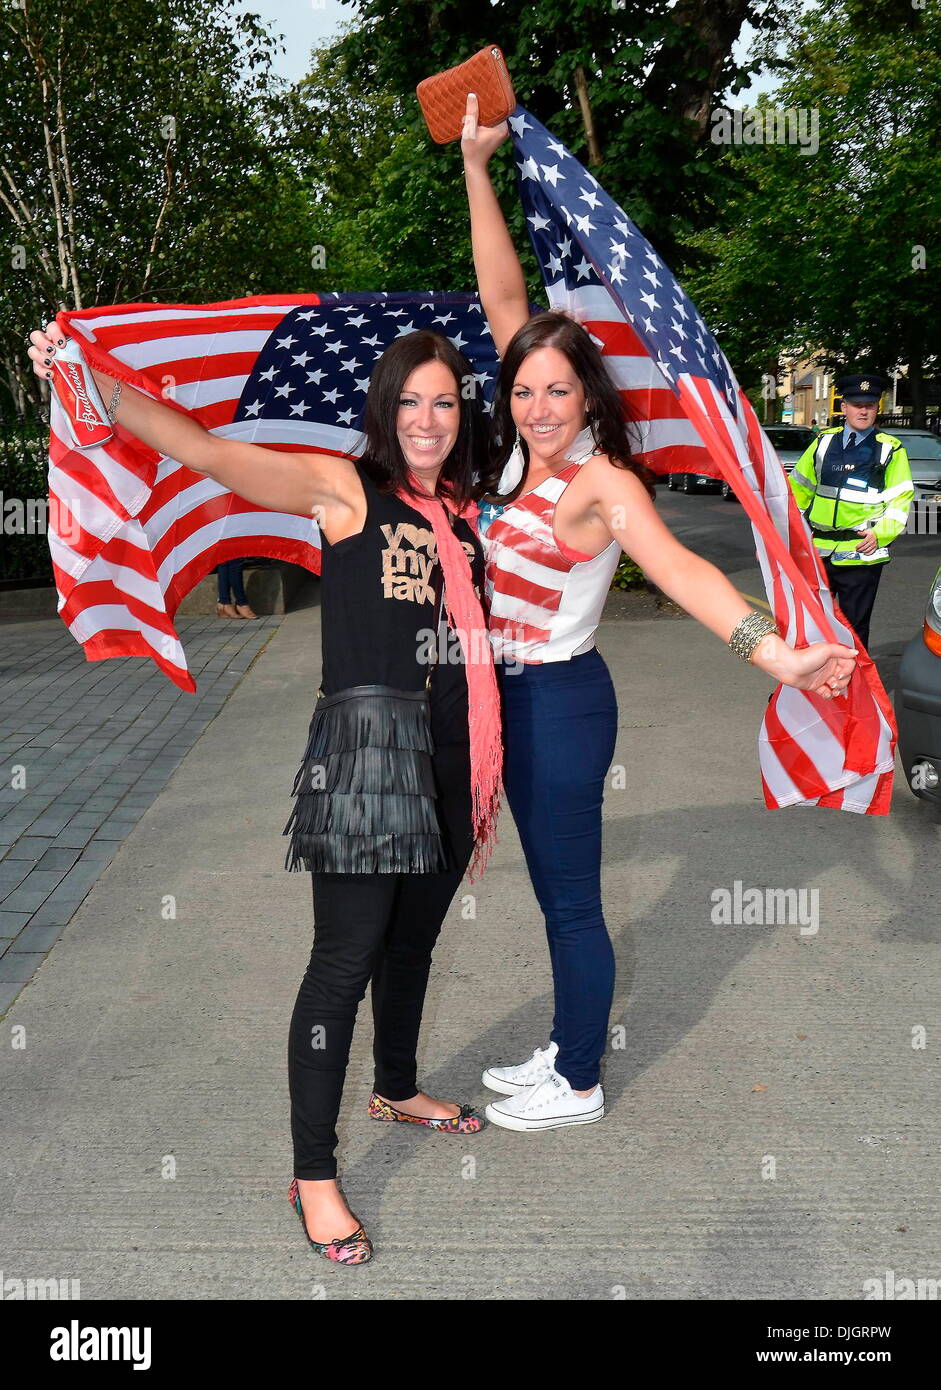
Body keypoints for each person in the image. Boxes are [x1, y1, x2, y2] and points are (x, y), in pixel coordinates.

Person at [28, 320, 502, 1265]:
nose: (426, 417)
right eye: (408, 399)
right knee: (345, 957)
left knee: (414, 940)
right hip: (368, 752)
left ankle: (398, 1084)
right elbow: (211, 454)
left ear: (462, 414)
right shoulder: (343, 488)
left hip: (456, 758)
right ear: (383, 409)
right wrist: (97, 385)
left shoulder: (459, 514)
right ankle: (314, 1174)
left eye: (443, 400)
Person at [459, 94, 860, 1133]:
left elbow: (686, 575)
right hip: (503, 696)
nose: (538, 404)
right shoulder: (511, 451)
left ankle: (580, 1080)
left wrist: (773, 654)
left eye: (557, 391)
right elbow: (502, 291)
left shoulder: (605, 487)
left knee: (572, 899)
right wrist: (474, 166)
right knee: (552, 893)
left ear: (587, 399)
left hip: (558, 703)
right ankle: (564, 1043)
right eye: (525, 390)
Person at [787, 374, 913, 652]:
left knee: (854, 629)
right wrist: (788, 529)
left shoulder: (890, 449)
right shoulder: (823, 442)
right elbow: (798, 488)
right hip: (818, 550)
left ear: (877, 408)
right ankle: (815, 691)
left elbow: (900, 500)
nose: (864, 410)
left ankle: (853, 691)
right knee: (814, 623)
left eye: (870, 404)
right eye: (857, 404)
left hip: (861, 553)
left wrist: (881, 534)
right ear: (843, 407)